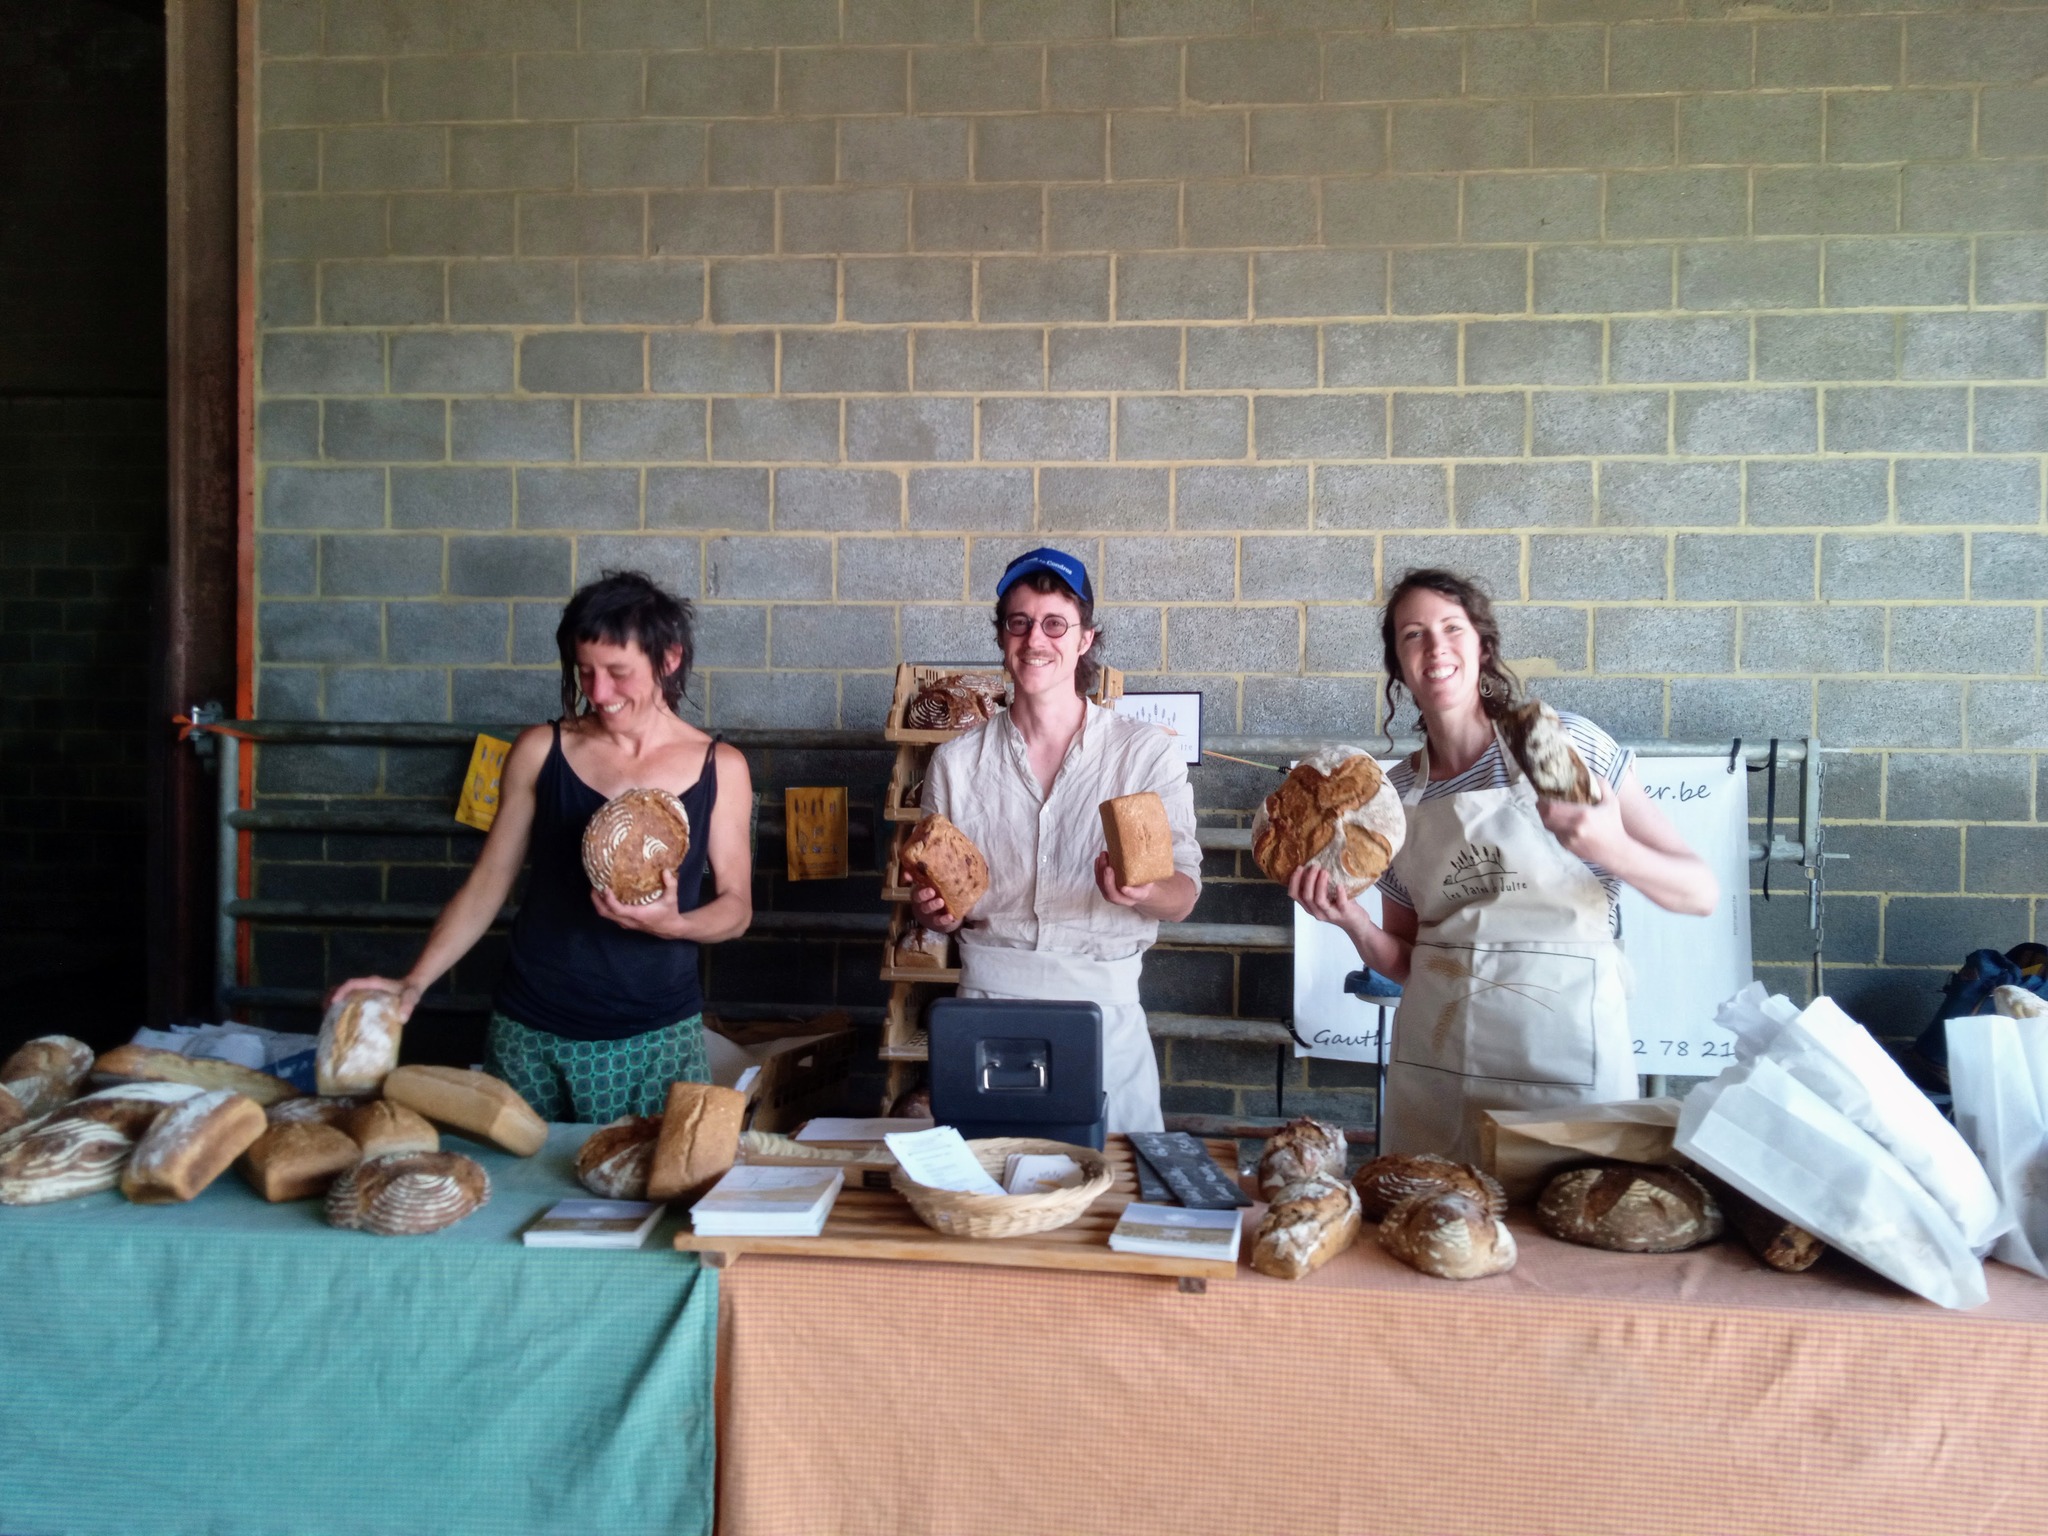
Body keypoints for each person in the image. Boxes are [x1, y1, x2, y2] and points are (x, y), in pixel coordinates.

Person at [1288, 568, 1718, 1161]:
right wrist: (1352, 923)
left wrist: (1610, 847)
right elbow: (1410, 963)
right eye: (1413, 634)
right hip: (1437, 1069)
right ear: (1398, 664)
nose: (1435, 648)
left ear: (1482, 646)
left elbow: (1700, 893)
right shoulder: (1394, 799)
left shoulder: (1558, 748)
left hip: (1564, 1065)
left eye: (1452, 628)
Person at [330, 571, 753, 1122]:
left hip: (656, 1034)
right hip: (531, 1029)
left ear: (668, 659)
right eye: (585, 671)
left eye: (618, 673)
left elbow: (737, 908)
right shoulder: (540, 750)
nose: (598, 693)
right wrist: (414, 981)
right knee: (522, 1174)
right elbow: (488, 883)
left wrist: (674, 925)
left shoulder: (721, 767)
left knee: (655, 1173)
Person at [910, 547, 1201, 1133]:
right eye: (1019, 622)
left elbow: (1184, 898)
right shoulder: (956, 763)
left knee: (1110, 1177)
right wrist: (935, 912)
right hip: (987, 1009)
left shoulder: (1145, 754)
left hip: (1105, 1012)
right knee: (988, 1177)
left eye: (1054, 624)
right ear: (1002, 636)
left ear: (1085, 638)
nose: (1034, 639)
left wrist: (1143, 891)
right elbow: (942, 910)